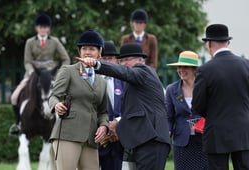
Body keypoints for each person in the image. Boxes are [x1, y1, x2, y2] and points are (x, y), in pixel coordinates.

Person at [78, 43, 170, 170]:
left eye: (128, 59)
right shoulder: (134, 83)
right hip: (143, 140)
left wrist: (97, 64)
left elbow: (125, 72)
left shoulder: (144, 71)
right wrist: (117, 124)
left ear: (140, 60)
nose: (124, 63)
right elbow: (134, 112)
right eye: (121, 60)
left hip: (152, 139)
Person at [49, 30, 109, 170]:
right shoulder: (68, 71)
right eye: (84, 48)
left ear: (100, 52)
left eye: (92, 49)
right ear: (79, 51)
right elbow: (54, 96)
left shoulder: (102, 81)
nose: (87, 52)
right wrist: (56, 105)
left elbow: (103, 111)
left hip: (91, 139)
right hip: (67, 134)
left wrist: (104, 125)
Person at [192, 24, 249, 170]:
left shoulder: (205, 70)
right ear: (228, 42)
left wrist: (214, 114)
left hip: (216, 132)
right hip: (244, 130)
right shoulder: (246, 65)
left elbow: (198, 105)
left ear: (209, 44)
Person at [9, 13, 70, 135]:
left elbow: (66, 59)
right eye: (40, 27)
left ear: (49, 28)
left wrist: (58, 74)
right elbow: (27, 61)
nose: (43, 29)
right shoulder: (30, 42)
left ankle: (62, 124)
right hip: (33, 74)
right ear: (36, 28)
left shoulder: (55, 41)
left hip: (50, 75)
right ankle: (18, 123)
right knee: (14, 97)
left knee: (66, 96)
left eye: (45, 27)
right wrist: (31, 72)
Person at [165, 51, 208, 170]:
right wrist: (166, 133)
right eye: (179, 67)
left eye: (185, 67)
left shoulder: (205, 87)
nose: (181, 70)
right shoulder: (171, 90)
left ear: (194, 69)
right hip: (182, 142)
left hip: (204, 141)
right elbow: (168, 116)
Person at [98, 41, 124, 170]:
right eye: (104, 58)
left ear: (117, 61)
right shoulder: (93, 80)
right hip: (98, 137)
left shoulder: (124, 81)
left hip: (118, 139)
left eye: (110, 58)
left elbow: (130, 107)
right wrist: (106, 126)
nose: (107, 61)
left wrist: (117, 122)